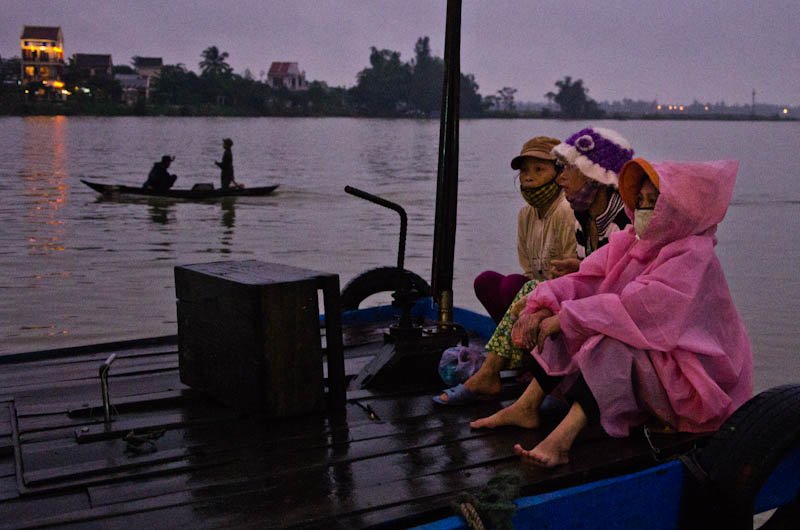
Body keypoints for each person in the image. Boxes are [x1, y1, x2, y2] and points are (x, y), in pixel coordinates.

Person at [470, 158, 753, 469]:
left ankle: (561, 440)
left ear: (679, 208)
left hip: (691, 379)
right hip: (655, 359)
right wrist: (541, 305)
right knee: (562, 315)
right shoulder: (633, 242)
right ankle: (526, 406)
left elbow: (636, 308)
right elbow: (584, 278)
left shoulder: (693, 255)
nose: (645, 212)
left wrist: (566, 317)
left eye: (654, 203)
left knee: (608, 342)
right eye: (641, 202)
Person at [435, 127, 634, 405]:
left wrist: (560, 285)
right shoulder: (582, 215)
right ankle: (521, 370)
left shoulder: (619, 223)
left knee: (527, 290)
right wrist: (575, 269)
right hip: (585, 299)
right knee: (507, 286)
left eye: (566, 170)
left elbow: (614, 285)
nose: (561, 178)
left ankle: (498, 375)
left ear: (594, 175)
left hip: (610, 314)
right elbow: (589, 269)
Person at [473, 135, 577, 324]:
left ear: (559, 172)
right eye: (524, 171)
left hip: (562, 296)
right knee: (485, 281)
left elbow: (571, 276)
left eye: (539, 169)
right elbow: (528, 270)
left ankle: (523, 345)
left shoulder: (566, 210)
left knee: (512, 285)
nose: (529, 177)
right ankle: (518, 341)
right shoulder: (525, 215)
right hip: (536, 290)